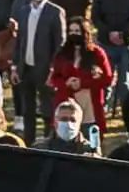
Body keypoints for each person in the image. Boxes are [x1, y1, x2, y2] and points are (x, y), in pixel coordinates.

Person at [11, 0, 65, 146]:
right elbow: (19, 41)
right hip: (26, 67)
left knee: (47, 107)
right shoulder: (23, 11)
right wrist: (15, 66)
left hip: (45, 68)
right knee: (28, 108)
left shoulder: (55, 12)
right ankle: (29, 141)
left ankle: (49, 140)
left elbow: (60, 43)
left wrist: (53, 69)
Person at [48, 16, 114, 146]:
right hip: (67, 104)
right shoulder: (62, 54)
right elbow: (54, 79)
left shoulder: (97, 54)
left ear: (85, 33)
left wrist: (83, 83)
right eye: (71, 31)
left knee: (91, 144)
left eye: (77, 31)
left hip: (90, 106)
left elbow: (107, 79)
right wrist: (66, 83)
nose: (74, 34)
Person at [34, 99, 100, 155]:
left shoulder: (89, 150)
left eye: (72, 120)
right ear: (55, 122)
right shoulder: (40, 148)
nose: (68, 123)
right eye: (64, 119)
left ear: (79, 123)